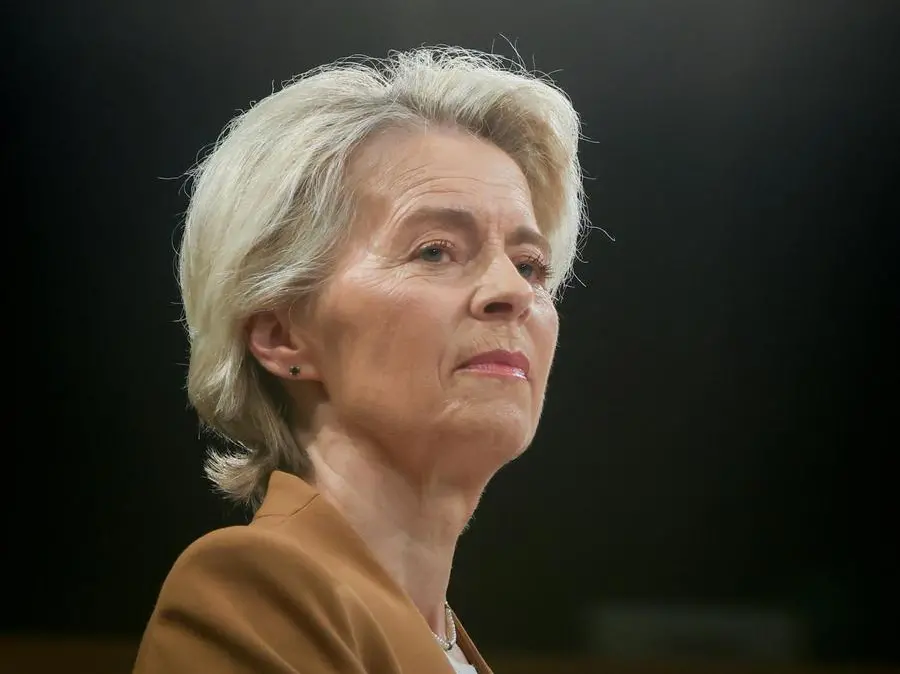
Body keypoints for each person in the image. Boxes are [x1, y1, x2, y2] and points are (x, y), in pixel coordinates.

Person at [133, 46, 585, 674]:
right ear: (282, 336)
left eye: (530, 265)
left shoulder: (441, 644)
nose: (514, 291)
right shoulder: (255, 590)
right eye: (435, 251)